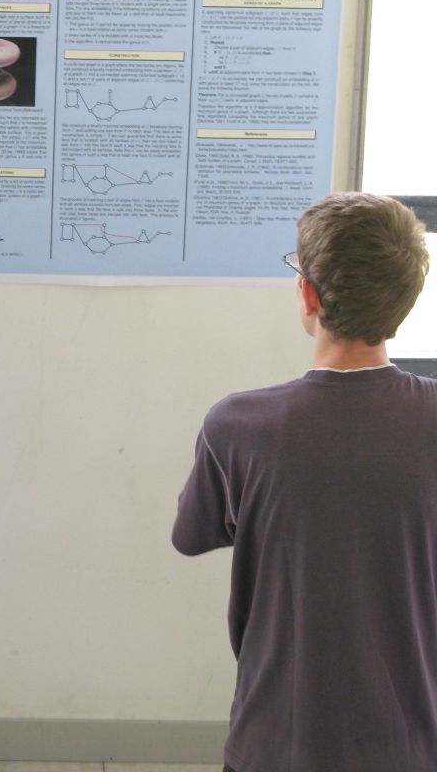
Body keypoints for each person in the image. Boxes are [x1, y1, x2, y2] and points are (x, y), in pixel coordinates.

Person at [172, 192, 435, 772]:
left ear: (309, 295)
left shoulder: (238, 425)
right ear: (406, 300)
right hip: (412, 746)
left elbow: (190, 536)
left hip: (276, 746)